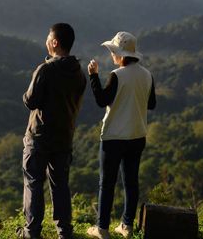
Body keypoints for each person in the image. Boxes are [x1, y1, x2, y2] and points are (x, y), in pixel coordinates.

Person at [17, 23, 87, 239]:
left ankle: (32, 232)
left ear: (55, 42)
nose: (46, 41)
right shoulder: (78, 73)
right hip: (64, 136)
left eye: (48, 38)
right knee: (60, 186)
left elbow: (31, 101)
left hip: (39, 137)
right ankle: (64, 232)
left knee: (34, 182)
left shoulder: (45, 69)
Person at [86, 31, 156, 239]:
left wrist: (93, 76)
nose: (112, 56)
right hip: (137, 134)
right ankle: (127, 225)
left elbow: (101, 100)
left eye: (113, 52)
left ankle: (102, 228)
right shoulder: (147, 75)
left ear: (120, 54)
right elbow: (151, 104)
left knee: (106, 183)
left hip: (114, 137)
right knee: (131, 181)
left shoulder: (117, 75)